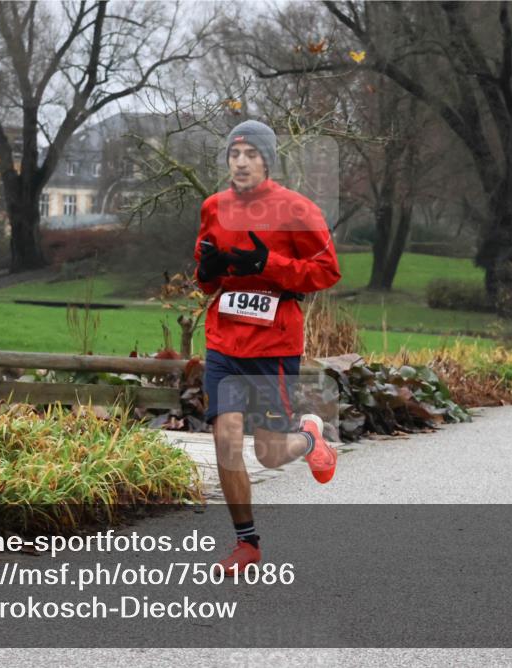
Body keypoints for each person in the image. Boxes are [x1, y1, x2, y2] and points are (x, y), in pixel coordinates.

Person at [194, 119, 341, 574]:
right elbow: (205, 282)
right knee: (226, 438)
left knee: (269, 454)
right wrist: (210, 270)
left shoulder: (296, 211)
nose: (240, 162)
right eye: (234, 154)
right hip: (224, 339)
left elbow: (326, 271)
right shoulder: (214, 208)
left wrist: (269, 263)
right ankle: (247, 544)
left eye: (250, 154)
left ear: (267, 161)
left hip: (272, 344)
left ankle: (310, 435)